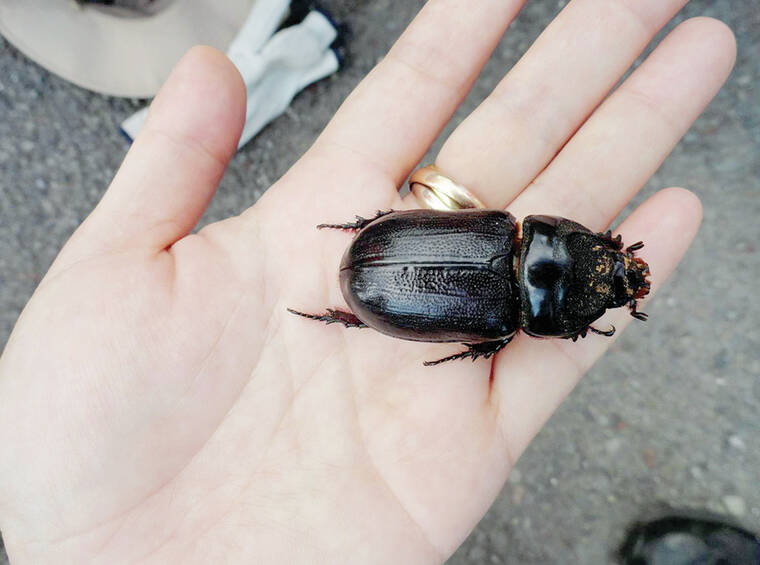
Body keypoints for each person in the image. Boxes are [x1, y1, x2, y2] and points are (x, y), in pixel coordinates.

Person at [0, 1, 737, 563]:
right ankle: (343, 309)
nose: (603, 261)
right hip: (384, 275)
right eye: (603, 256)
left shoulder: (504, 232)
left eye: (601, 265)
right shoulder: (506, 313)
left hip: (385, 267)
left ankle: (344, 307)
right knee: (456, 321)